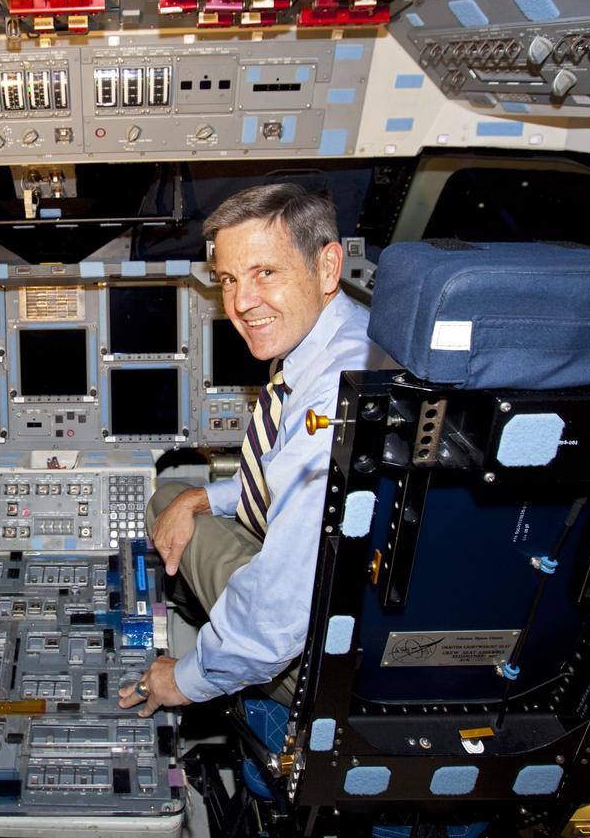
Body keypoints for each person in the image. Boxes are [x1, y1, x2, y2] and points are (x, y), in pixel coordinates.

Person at [119, 183, 389, 716]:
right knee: (180, 493)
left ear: (329, 267)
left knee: (161, 497)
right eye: (229, 280)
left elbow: (280, 605)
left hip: (338, 658)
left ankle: (231, 669)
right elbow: (288, 486)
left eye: (265, 273)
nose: (241, 303)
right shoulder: (345, 340)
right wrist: (200, 499)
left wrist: (188, 677)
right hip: (366, 595)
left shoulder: (336, 397)